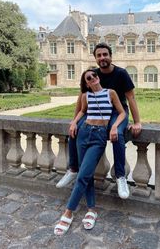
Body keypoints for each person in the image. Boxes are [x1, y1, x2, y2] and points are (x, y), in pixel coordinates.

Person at [56, 42, 142, 199]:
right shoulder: (92, 74)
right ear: (95, 58)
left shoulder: (121, 73)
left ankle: (121, 177)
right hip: (96, 112)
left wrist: (137, 122)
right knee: (75, 130)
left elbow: (131, 98)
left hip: (117, 112)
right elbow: (80, 100)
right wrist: (74, 121)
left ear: (110, 56)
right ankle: (73, 169)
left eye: (105, 54)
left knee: (118, 136)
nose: (102, 58)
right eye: (99, 55)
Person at [54, 69, 126, 235]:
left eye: (94, 76)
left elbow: (121, 112)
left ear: (98, 77)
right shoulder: (85, 96)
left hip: (99, 135)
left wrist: (114, 126)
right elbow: (82, 111)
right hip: (84, 133)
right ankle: (92, 209)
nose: (93, 78)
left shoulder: (111, 93)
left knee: (83, 175)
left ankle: (68, 212)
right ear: (86, 83)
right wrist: (74, 122)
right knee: (87, 175)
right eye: (89, 78)